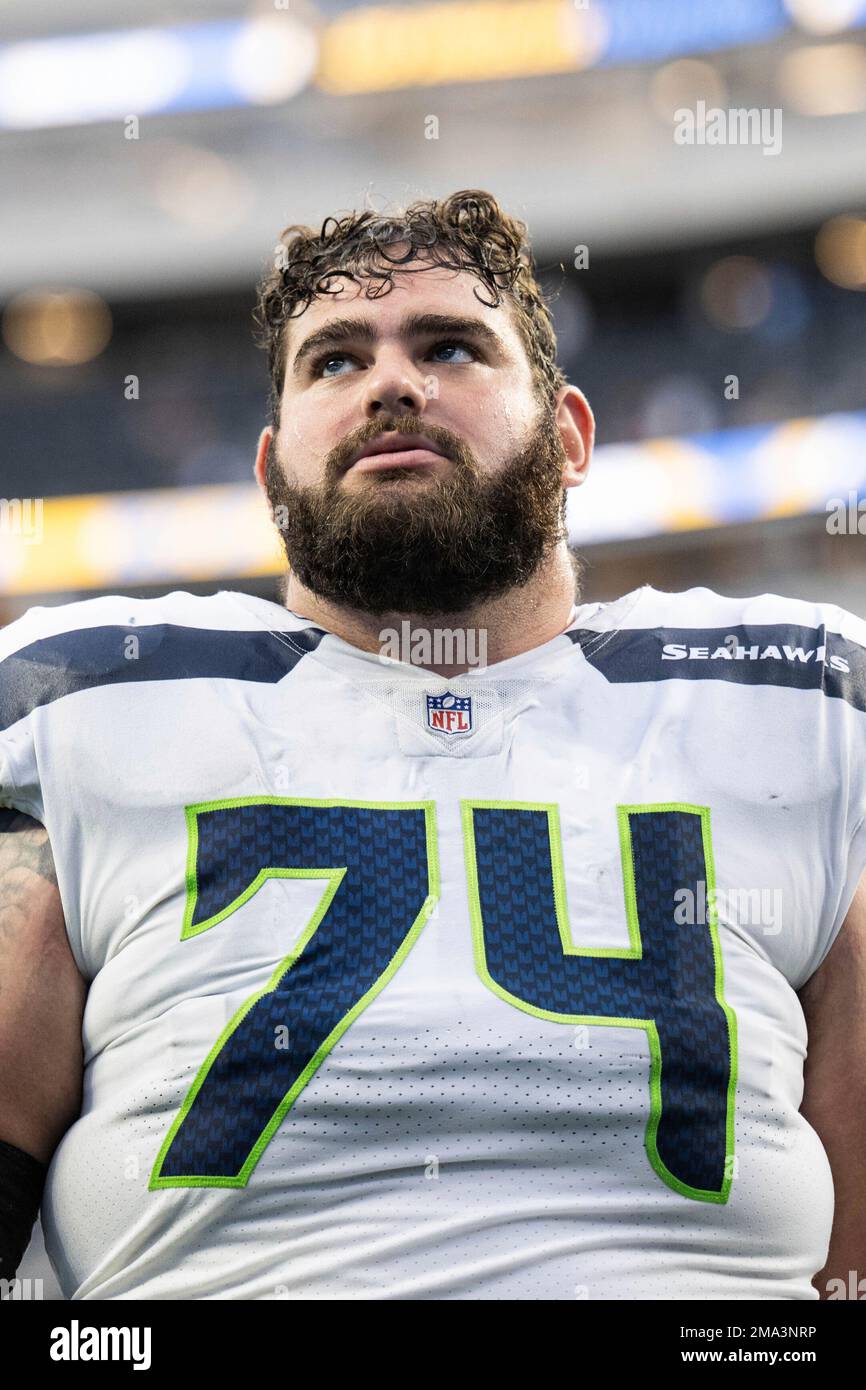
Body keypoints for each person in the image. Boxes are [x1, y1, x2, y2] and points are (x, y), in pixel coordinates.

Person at [0, 189, 864, 1300]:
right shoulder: (81, 695)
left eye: (450, 346)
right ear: (270, 474)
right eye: (332, 361)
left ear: (567, 437)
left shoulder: (797, 702)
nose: (392, 384)